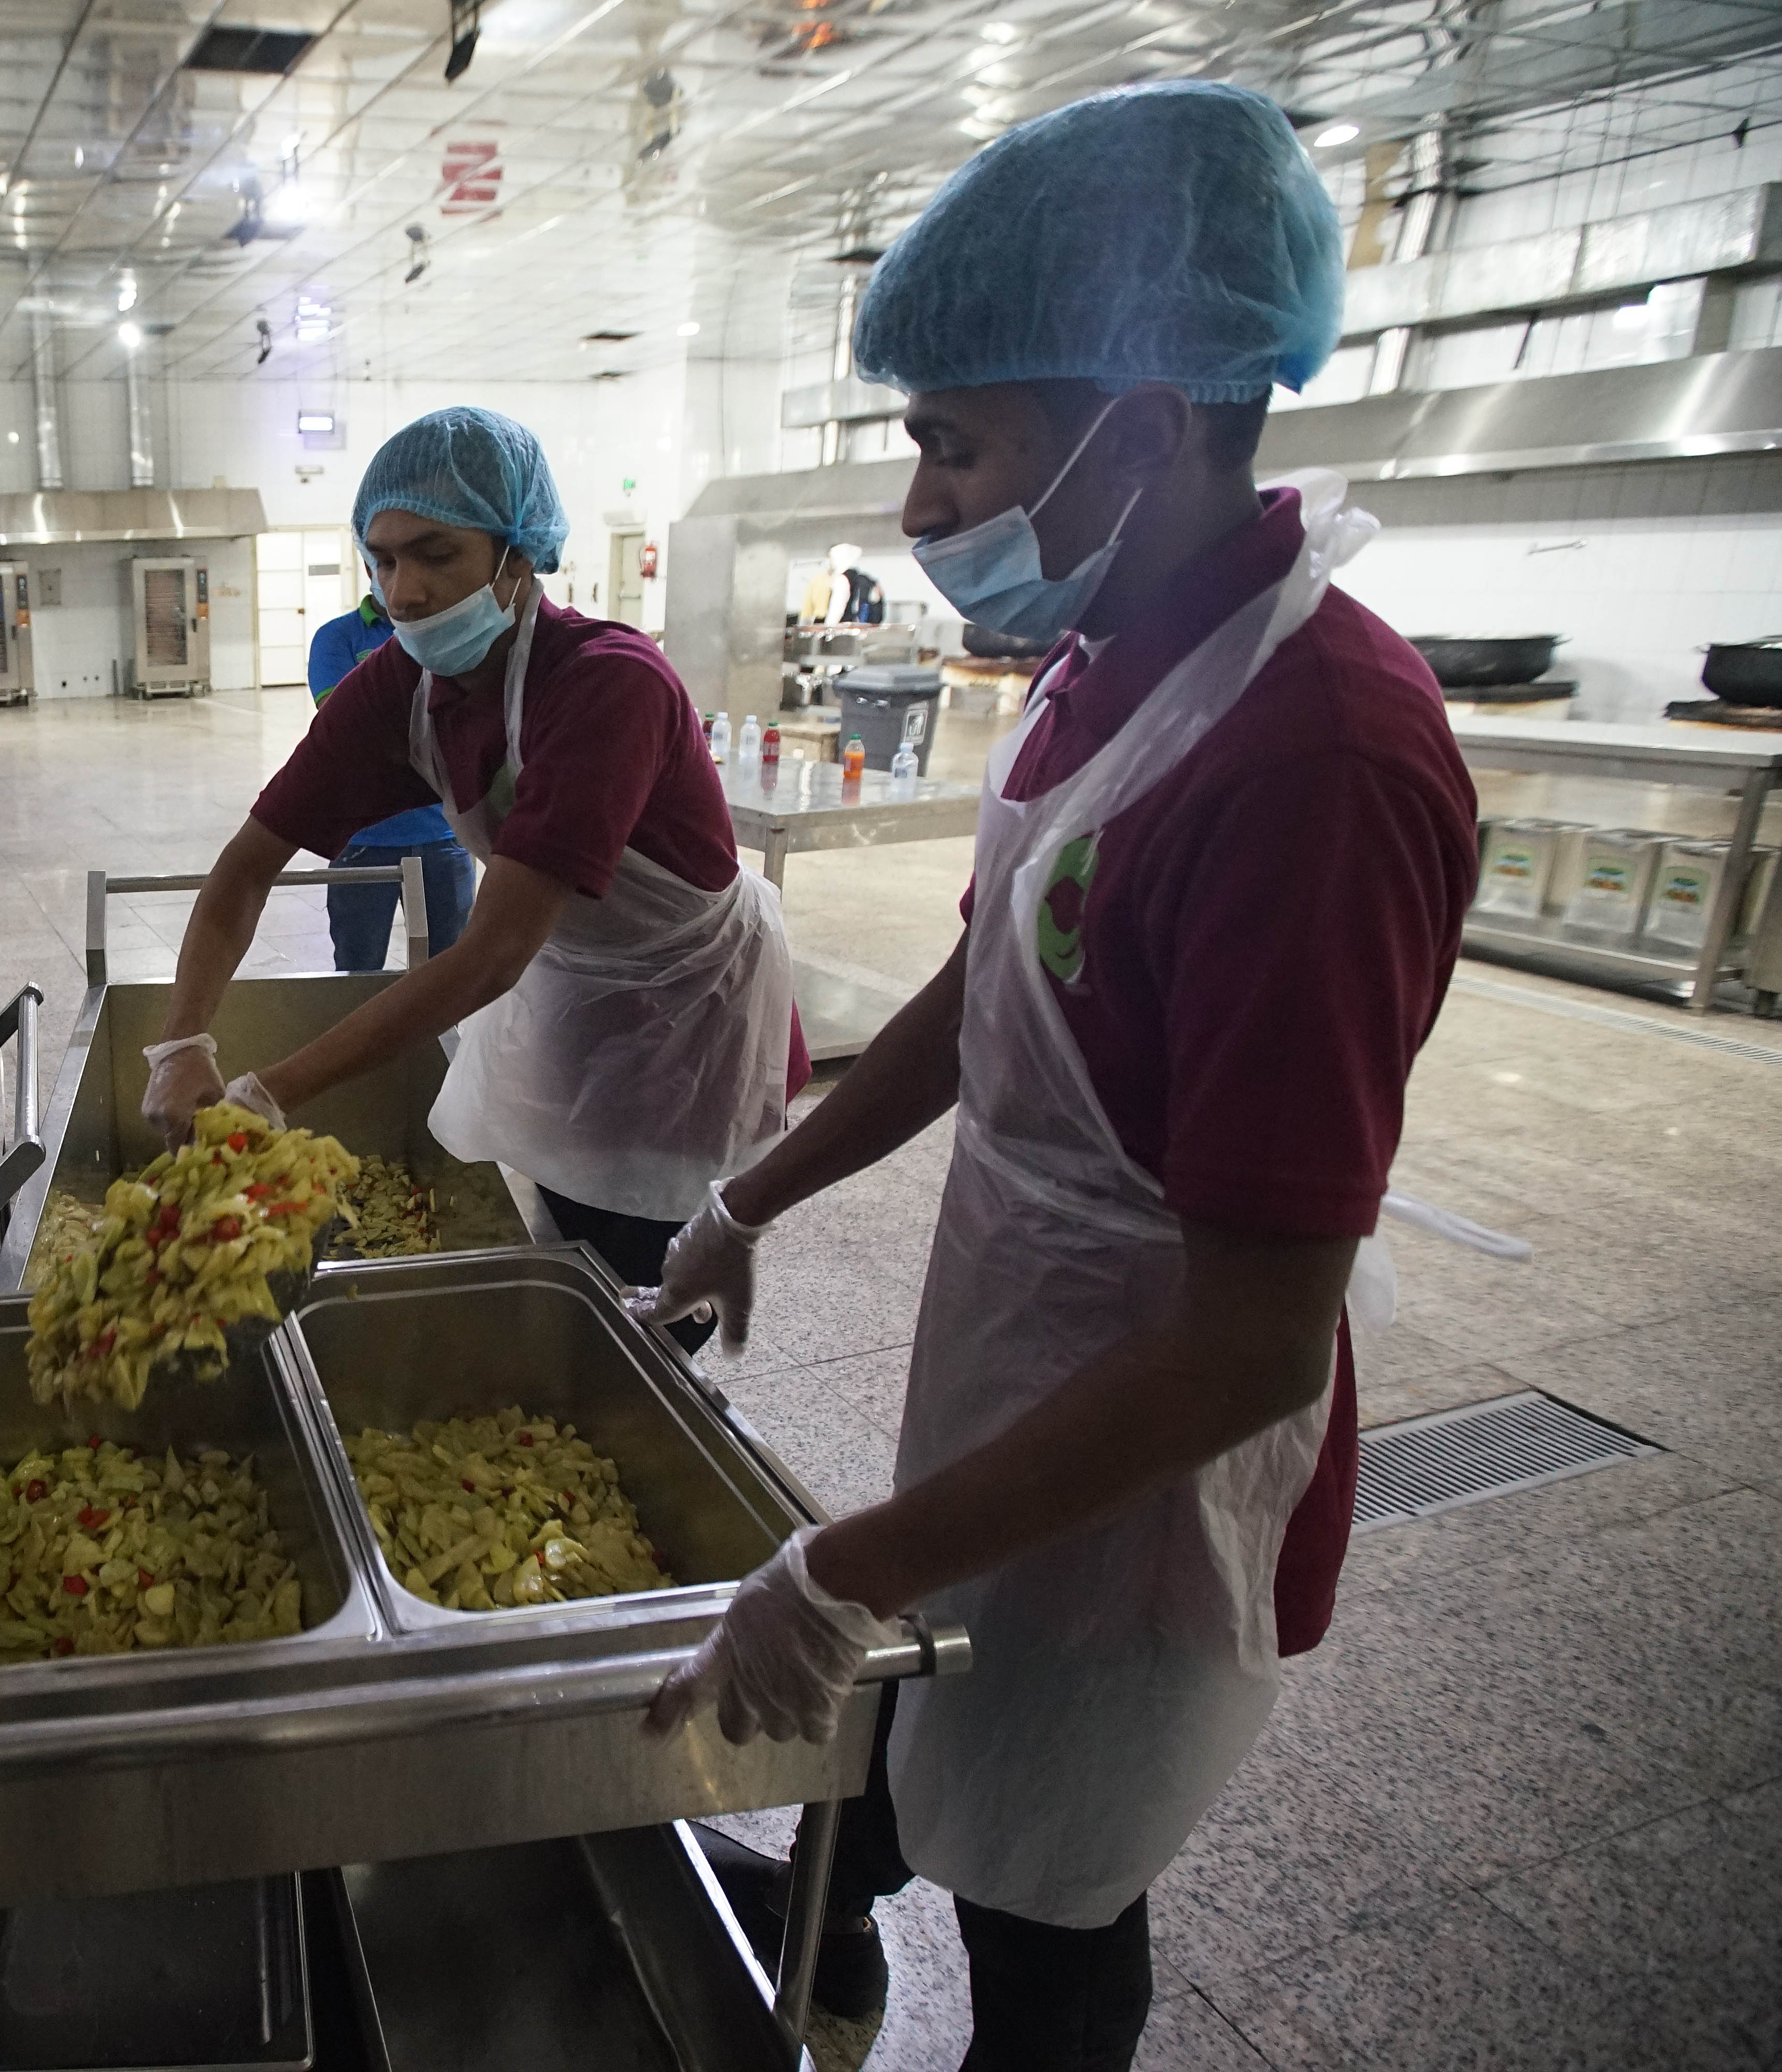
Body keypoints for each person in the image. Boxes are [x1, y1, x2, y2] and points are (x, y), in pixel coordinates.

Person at [638, 83, 1481, 2067]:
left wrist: (835, 1562)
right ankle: (824, 1923)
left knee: (1051, 1902)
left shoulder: (1318, 755)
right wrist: (753, 1189)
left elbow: (1256, 1342)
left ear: (1147, 425)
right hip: (1022, 1357)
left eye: (953, 439)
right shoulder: (1117, 655)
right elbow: (985, 991)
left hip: (1150, 1469)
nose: (917, 506)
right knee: (934, 1725)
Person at [143, 407, 804, 1331]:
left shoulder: (610, 684)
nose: (403, 591)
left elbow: (491, 952)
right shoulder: (403, 684)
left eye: (436, 554)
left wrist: (268, 1091)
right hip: (571, 979)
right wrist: (182, 1045)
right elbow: (247, 867)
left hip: (682, 1006)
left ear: (519, 557)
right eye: (381, 560)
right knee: (571, 1228)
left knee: (653, 1275)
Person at [305, 593, 474, 971]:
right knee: (357, 971)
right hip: (365, 841)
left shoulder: (457, 635)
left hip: (445, 837)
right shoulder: (339, 637)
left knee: (448, 972)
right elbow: (345, 728)